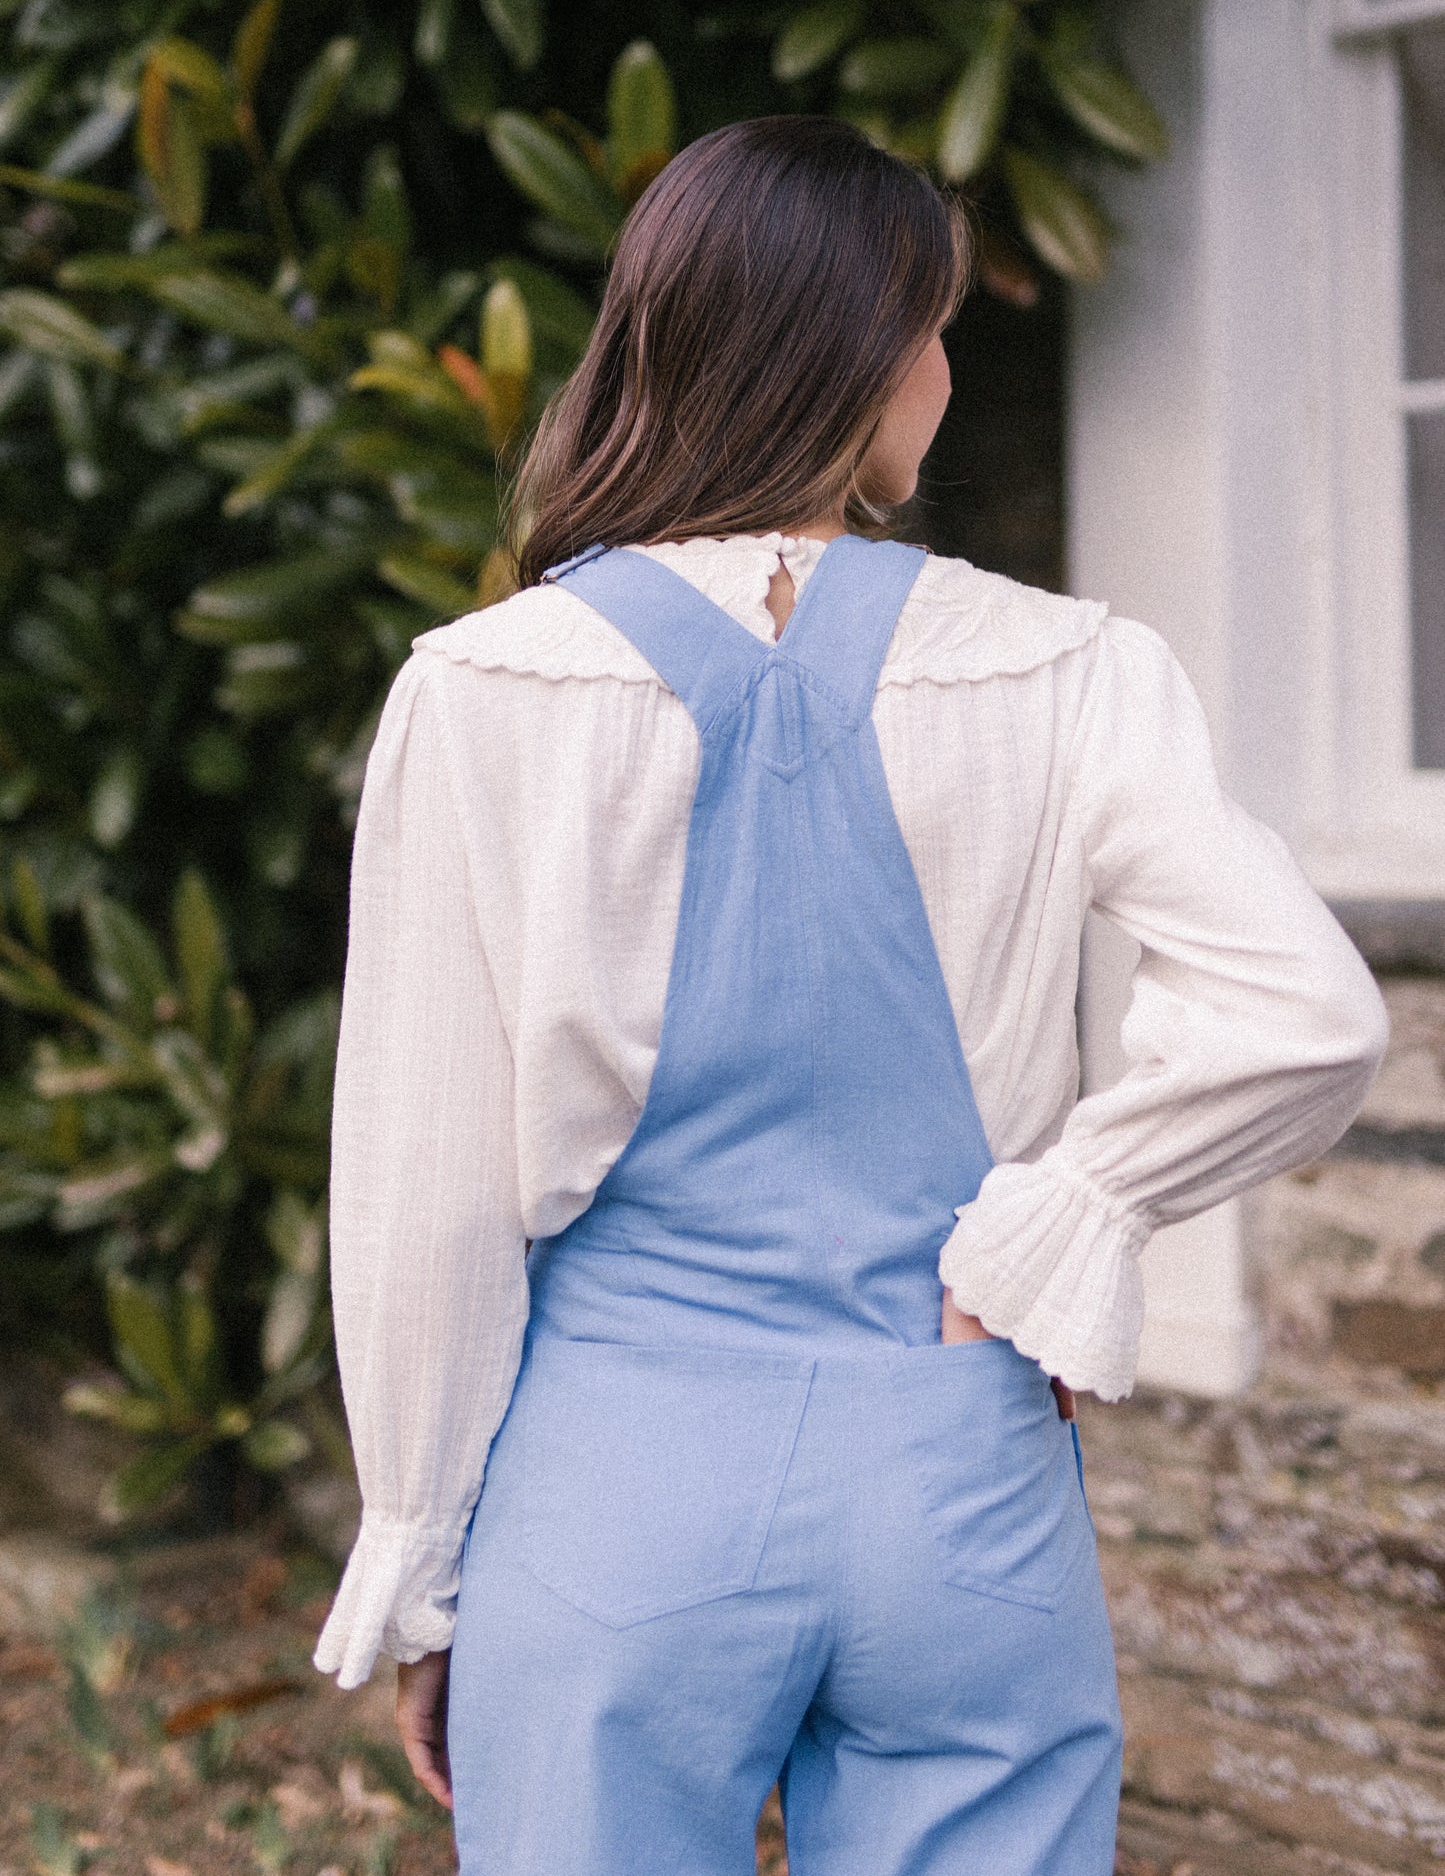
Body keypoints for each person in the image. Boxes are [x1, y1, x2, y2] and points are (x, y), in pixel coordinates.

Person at [312, 116, 1388, 1875]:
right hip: (957, 1480)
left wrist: (428, 1557)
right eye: (939, 330)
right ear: (869, 357)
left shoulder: (484, 690)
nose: (945, 375)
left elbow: (422, 1197)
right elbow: (1312, 1017)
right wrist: (1072, 1212)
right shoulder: (1068, 668)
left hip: (615, 1497)